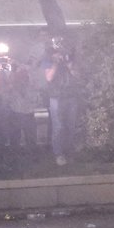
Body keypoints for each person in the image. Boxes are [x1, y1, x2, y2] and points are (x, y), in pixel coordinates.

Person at [42, 35, 76, 166]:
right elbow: (49, 77)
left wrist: (68, 63)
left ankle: (69, 152)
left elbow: (77, 74)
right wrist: (56, 63)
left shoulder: (70, 57)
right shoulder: (48, 59)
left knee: (70, 126)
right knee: (58, 126)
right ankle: (58, 154)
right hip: (56, 97)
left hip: (71, 95)